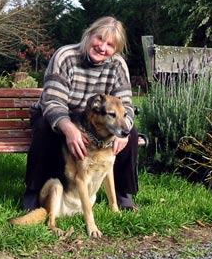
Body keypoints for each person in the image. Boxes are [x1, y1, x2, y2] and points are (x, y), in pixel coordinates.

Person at [22, 16, 140, 211]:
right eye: (99, 39)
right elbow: (53, 101)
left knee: (131, 133)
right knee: (45, 128)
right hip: (59, 113)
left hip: (92, 119)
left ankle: (123, 194)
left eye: (110, 45)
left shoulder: (118, 65)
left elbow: (125, 104)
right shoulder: (65, 56)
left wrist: (124, 128)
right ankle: (33, 191)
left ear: (116, 50)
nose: (102, 47)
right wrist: (69, 129)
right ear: (89, 34)